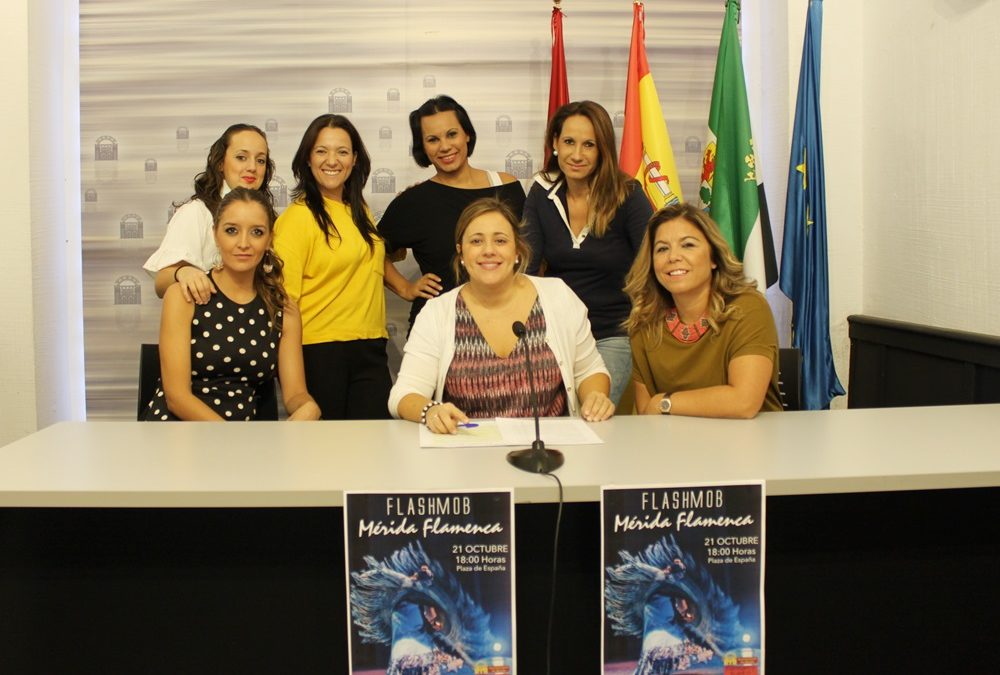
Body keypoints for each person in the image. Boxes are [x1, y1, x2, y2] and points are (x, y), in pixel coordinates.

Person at [389, 197, 614, 433]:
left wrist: (595, 397)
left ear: (517, 249)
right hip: (465, 452)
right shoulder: (437, 313)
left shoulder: (558, 296)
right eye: (476, 241)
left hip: (549, 453)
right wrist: (430, 410)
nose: (488, 251)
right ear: (461, 253)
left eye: (500, 240)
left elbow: (590, 370)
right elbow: (404, 395)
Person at [142, 188, 319, 421]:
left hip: (242, 442)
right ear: (215, 235)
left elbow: (295, 393)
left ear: (269, 240)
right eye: (231, 231)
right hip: (179, 434)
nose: (243, 243)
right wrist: (231, 440)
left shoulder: (283, 309)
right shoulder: (184, 295)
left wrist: (308, 406)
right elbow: (177, 397)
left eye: (256, 232)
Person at [523, 101, 653, 406]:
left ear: (602, 149)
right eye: (569, 142)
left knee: (587, 413)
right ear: (554, 143)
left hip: (613, 333)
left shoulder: (628, 194)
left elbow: (651, 265)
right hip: (555, 335)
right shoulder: (542, 191)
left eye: (589, 145)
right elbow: (526, 266)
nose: (577, 155)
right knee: (544, 414)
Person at [273, 114, 390, 420]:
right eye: (321, 151)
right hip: (321, 351)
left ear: (354, 159)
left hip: (371, 346)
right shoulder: (296, 219)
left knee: (374, 451)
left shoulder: (359, 210)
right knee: (325, 458)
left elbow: (369, 260)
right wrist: (295, 383)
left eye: (342, 151)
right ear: (307, 159)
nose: (332, 160)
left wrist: (405, 286)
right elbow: (285, 303)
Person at [379, 95, 527, 330]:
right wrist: (405, 288)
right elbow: (369, 250)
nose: (445, 146)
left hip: (507, 323)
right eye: (432, 139)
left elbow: (530, 252)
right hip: (438, 330)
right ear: (423, 147)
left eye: (452, 134)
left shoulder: (506, 186)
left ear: (467, 134)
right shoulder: (414, 201)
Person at [624, 203, 782, 418]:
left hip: (749, 445)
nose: (673, 257)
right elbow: (646, 413)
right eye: (662, 248)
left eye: (687, 245)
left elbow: (744, 402)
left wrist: (665, 402)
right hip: (675, 446)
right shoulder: (644, 321)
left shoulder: (747, 307)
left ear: (714, 258)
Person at [143, 123, 275, 305]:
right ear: (220, 163)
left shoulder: (268, 218)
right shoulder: (196, 212)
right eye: (241, 157)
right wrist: (182, 272)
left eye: (260, 160)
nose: (252, 167)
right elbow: (161, 283)